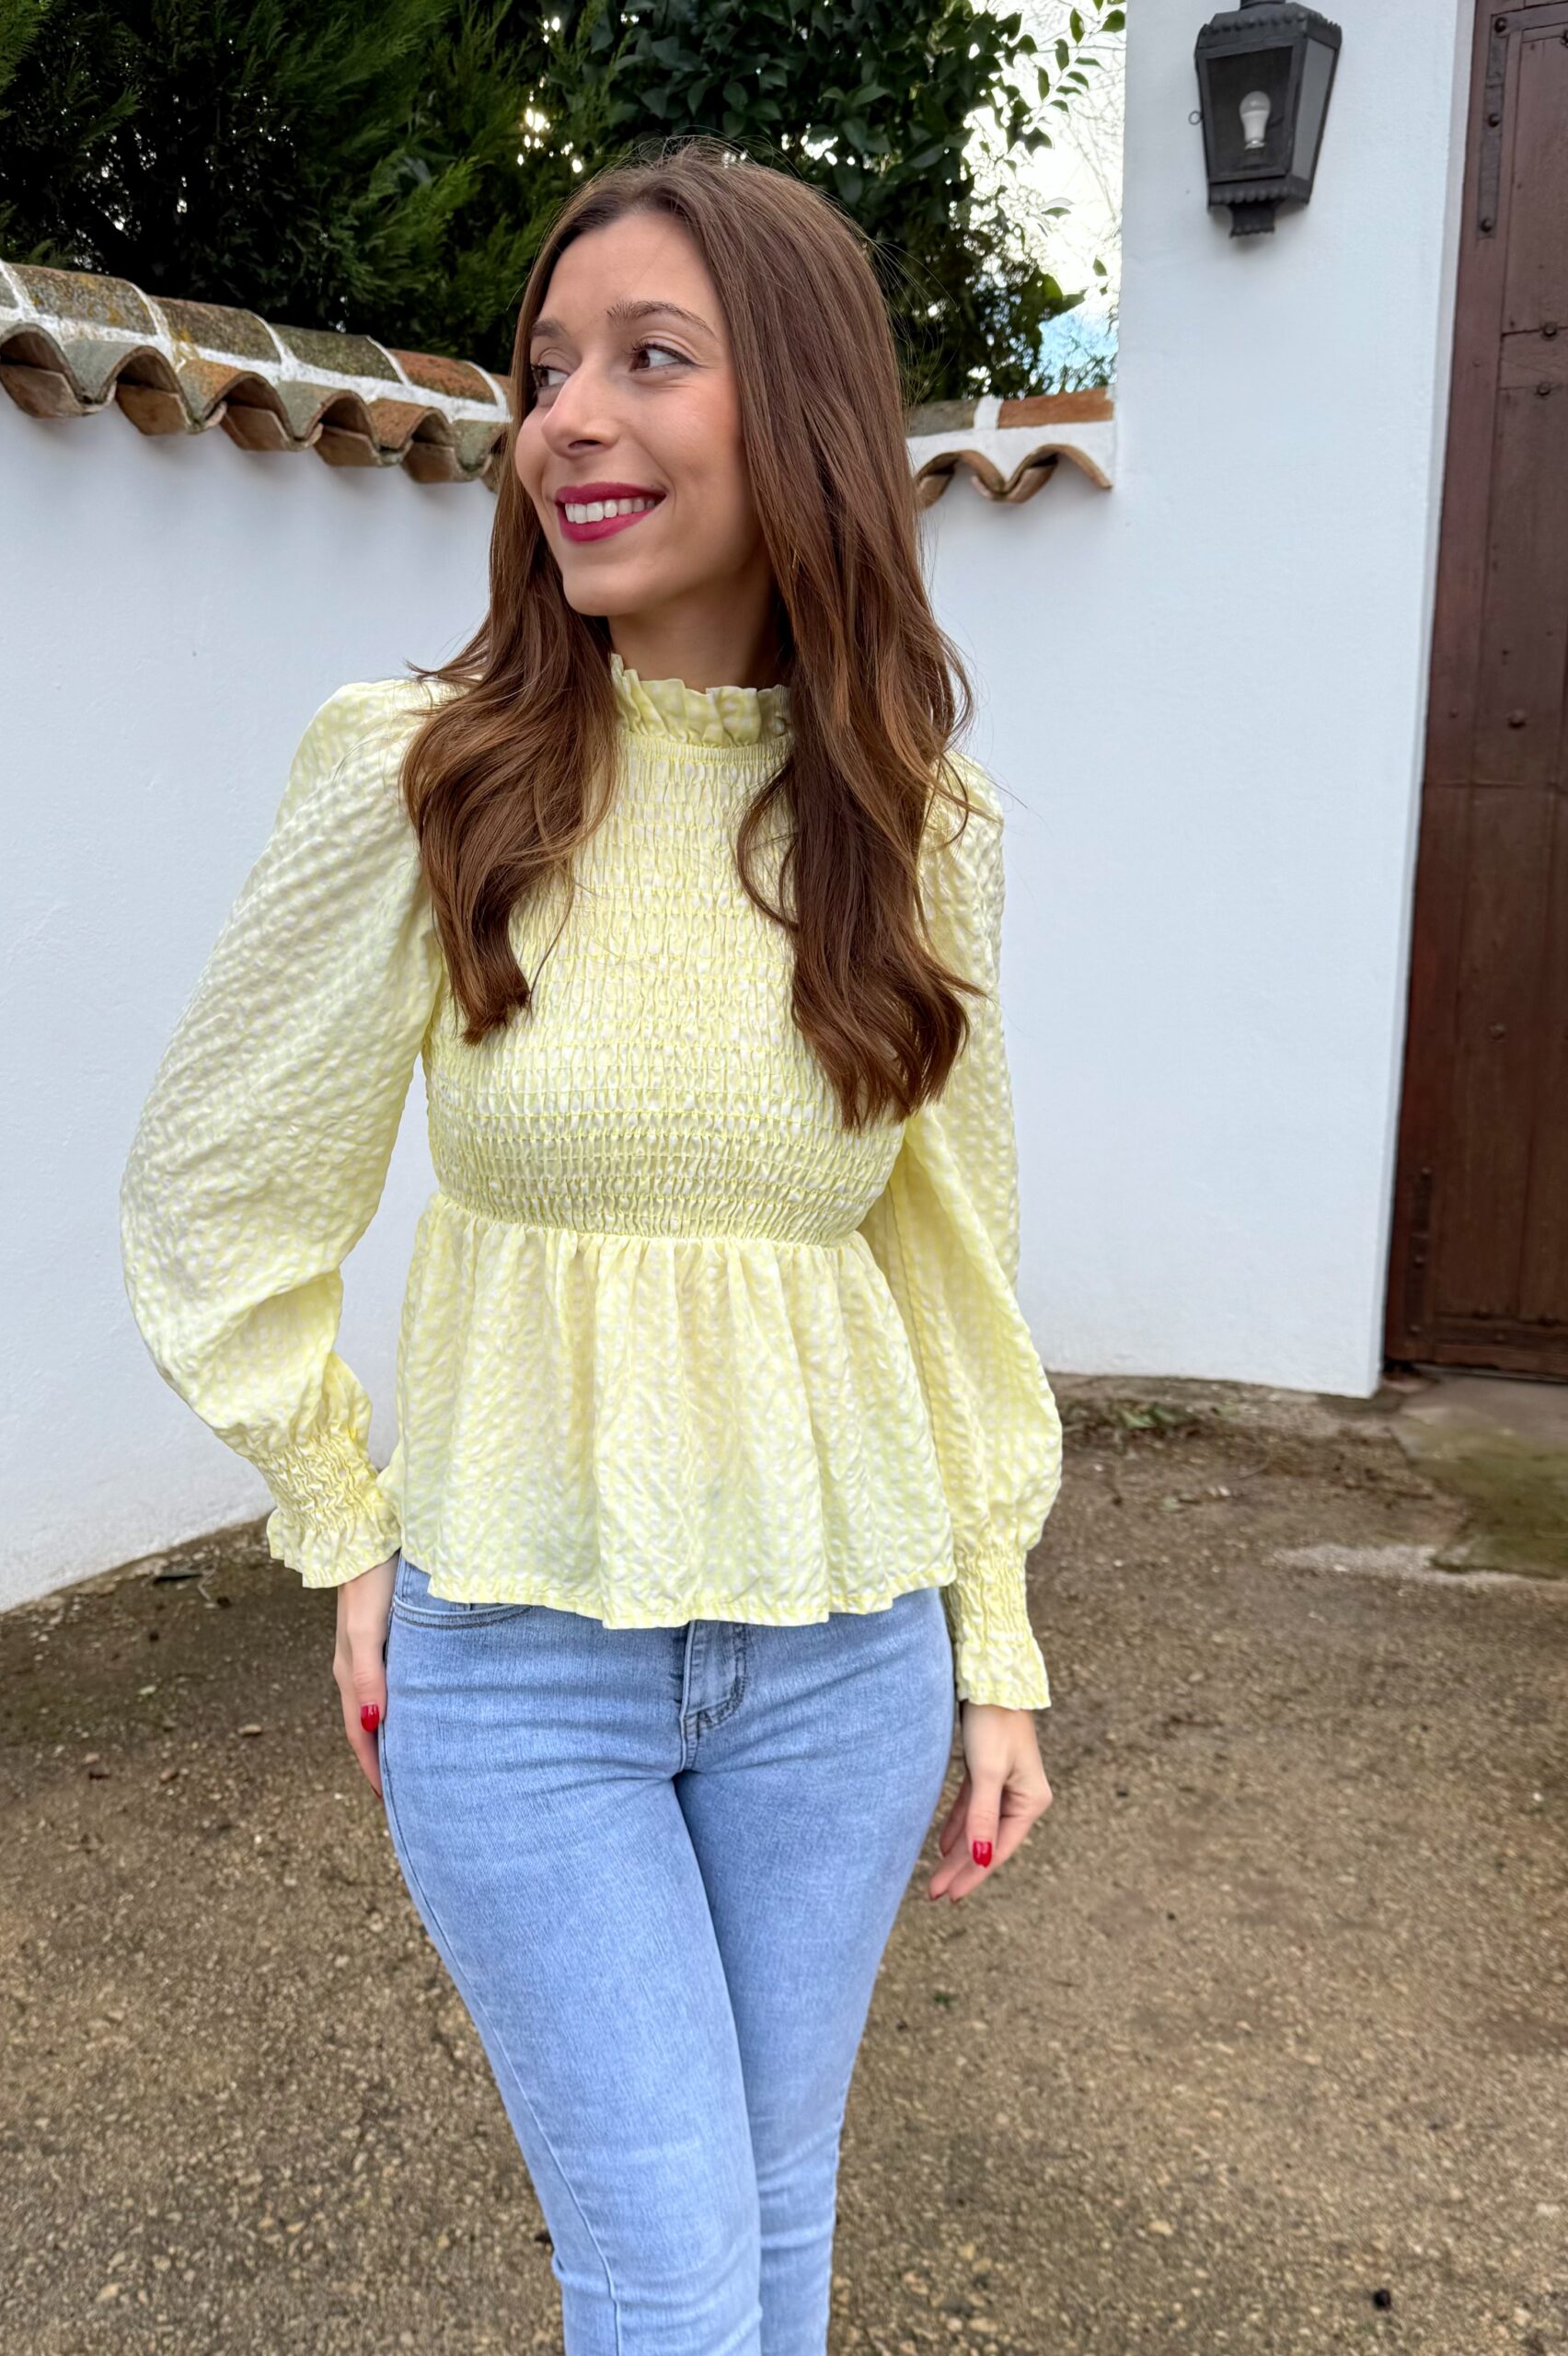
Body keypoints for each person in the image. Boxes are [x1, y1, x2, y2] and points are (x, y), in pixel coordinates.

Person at [119, 132, 1061, 2356]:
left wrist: (994, 1630)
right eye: (548, 368)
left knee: (779, 2216)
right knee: (666, 2268)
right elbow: (219, 1190)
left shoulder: (914, 829)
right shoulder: (427, 775)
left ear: (802, 411)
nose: (568, 419)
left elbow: (955, 1261)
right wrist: (343, 1514)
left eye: (650, 357)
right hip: (523, 1661)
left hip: (842, 1655)